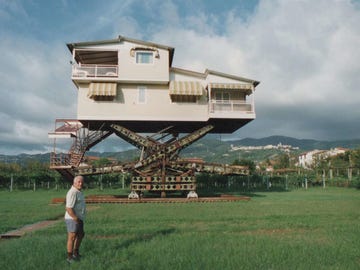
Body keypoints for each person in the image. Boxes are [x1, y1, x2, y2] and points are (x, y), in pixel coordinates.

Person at [64, 175, 86, 263]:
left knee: (81, 234)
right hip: (72, 218)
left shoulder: (78, 191)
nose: (80, 183)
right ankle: (69, 257)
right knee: (72, 237)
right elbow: (69, 208)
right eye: (79, 182)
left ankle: (75, 253)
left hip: (79, 218)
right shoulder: (72, 192)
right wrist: (76, 219)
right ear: (74, 182)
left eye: (82, 182)